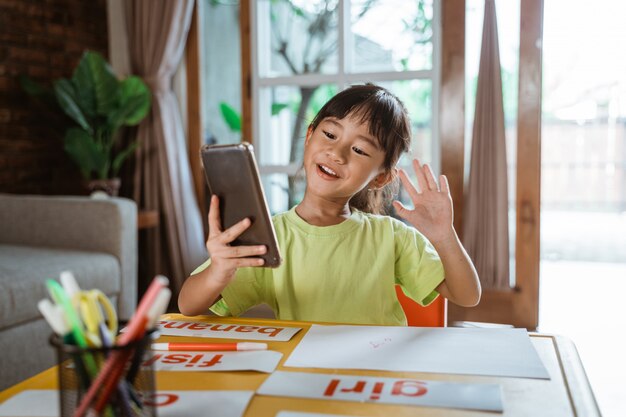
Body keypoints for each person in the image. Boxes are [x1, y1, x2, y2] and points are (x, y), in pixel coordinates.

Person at [179, 84, 481, 325]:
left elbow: (466, 295)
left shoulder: (392, 237)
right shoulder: (271, 238)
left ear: (380, 178)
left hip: (376, 378)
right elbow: (187, 305)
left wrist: (444, 236)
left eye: (360, 150)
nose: (337, 152)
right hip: (305, 378)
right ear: (310, 136)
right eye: (330, 134)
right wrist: (219, 269)